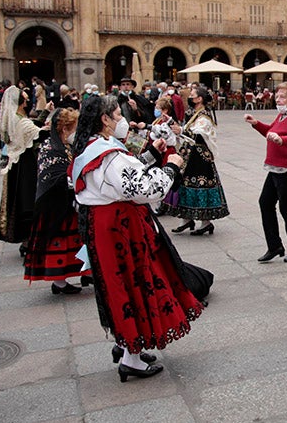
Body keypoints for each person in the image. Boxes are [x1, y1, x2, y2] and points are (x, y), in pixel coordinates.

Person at [72, 95, 201, 381]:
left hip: (104, 224)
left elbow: (120, 178)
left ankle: (126, 343)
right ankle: (131, 356)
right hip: (121, 228)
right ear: (104, 120)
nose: (124, 121)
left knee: (117, 284)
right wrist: (171, 167)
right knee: (133, 283)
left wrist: (151, 156)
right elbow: (144, 188)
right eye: (118, 115)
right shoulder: (108, 155)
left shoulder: (91, 148)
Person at [24, 107, 88, 295]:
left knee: (75, 242)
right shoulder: (51, 148)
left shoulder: (65, 147)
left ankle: (84, 273)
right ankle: (59, 282)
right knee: (60, 242)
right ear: (64, 130)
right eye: (74, 129)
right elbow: (54, 177)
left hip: (67, 203)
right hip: (54, 206)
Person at [245, 81, 287, 263]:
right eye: (277, 95)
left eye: (282, 97)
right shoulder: (282, 116)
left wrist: (282, 140)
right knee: (265, 203)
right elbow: (271, 132)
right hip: (276, 168)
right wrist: (256, 124)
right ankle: (275, 246)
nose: (277, 99)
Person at [165, 85, 229, 235]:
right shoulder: (195, 113)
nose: (190, 97)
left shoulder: (204, 115)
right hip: (189, 155)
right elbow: (188, 130)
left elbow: (199, 135)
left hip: (199, 157)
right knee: (185, 183)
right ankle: (186, 219)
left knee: (200, 184)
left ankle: (205, 222)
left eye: (192, 95)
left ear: (199, 99)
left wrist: (181, 130)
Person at [0, 86, 45, 249]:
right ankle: (28, 239)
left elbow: (30, 131)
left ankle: (23, 237)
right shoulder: (22, 121)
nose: (27, 101)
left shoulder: (11, 119)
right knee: (28, 200)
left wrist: (44, 113)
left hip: (14, 164)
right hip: (26, 164)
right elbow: (38, 134)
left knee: (17, 201)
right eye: (25, 99)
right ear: (21, 103)